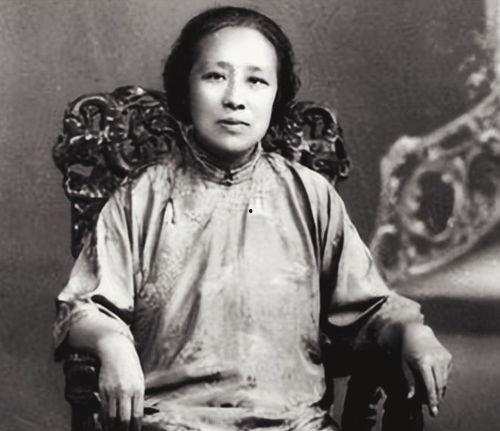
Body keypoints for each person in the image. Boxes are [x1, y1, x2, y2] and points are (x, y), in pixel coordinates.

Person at [53, 6, 452, 431]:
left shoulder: (310, 195)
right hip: (172, 423)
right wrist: (112, 343)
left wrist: (414, 332)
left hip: (296, 424)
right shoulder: (141, 197)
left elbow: (368, 309)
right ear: (186, 89)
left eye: (256, 80)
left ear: (276, 96)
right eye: (215, 76)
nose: (235, 98)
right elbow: (83, 306)